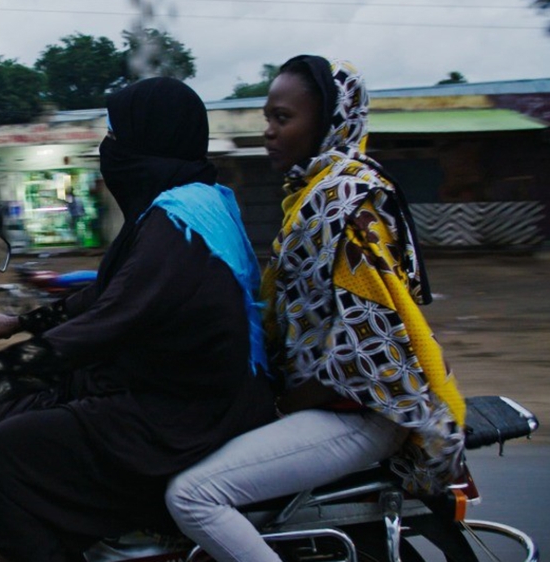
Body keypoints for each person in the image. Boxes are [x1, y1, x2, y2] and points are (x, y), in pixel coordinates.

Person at [0, 76, 276, 562]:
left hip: (185, 415)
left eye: (116, 136)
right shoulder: (195, 199)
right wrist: (21, 322)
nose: (107, 148)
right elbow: (111, 295)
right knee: (15, 402)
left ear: (148, 139)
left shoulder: (178, 225)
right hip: (191, 391)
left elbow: (100, 327)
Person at [165, 55, 467, 562]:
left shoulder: (344, 199)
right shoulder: (312, 194)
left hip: (358, 410)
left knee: (193, 496)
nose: (268, 132)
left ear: (329, 121)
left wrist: (289, 400)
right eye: (268, 118)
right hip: (327, 401)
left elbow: (369, 342)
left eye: (283, 118)